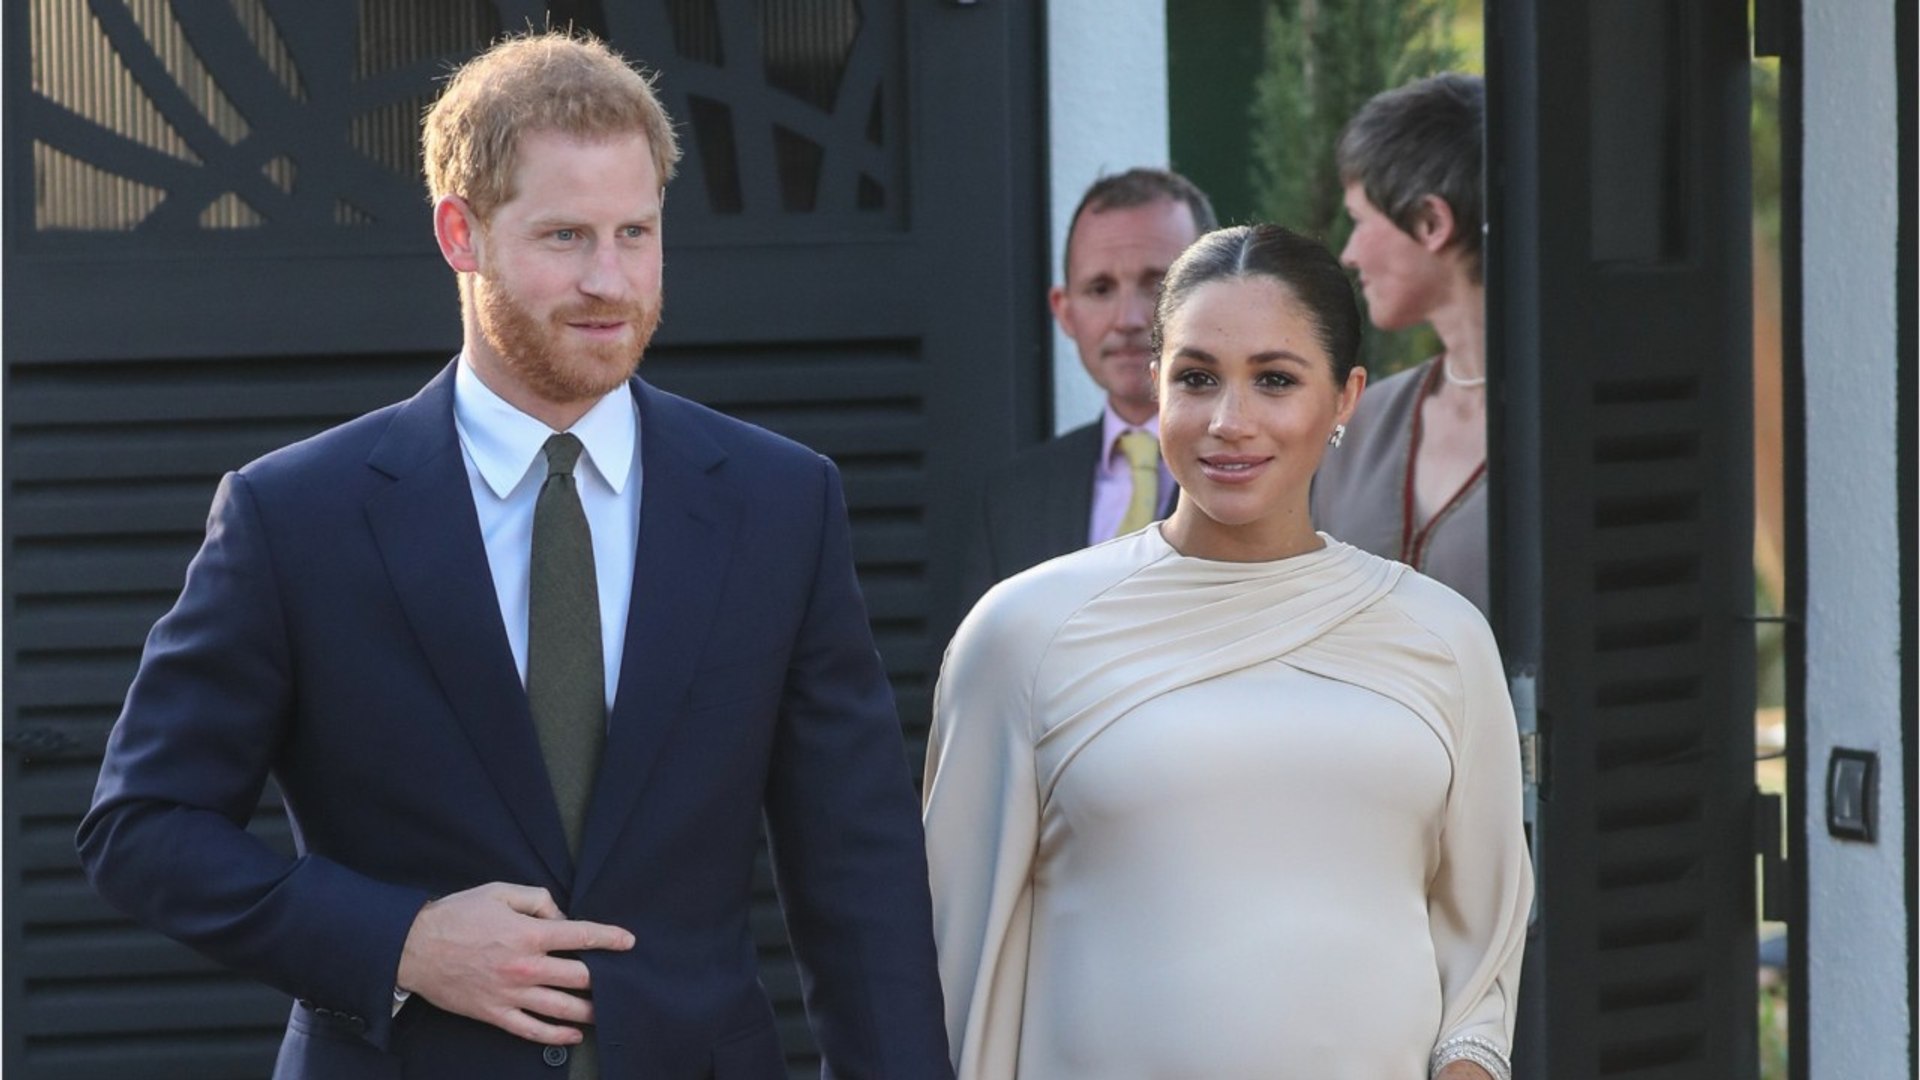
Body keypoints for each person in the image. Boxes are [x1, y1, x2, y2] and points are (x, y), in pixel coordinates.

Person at [76, 32, 950, 1080]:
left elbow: (858, 870)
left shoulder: (781, 503)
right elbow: (142, 828)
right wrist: (402, 942)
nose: (610, 280)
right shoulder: (294, 515)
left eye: (636, 232)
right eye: (565, 236)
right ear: (462, 233)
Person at [924, 224, 1531, 1080]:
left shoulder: (1444, 638)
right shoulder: (1021, 635)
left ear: (1347, 397)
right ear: (1156, 384)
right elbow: (957, 968)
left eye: (1274, 380)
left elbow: (1482, 967)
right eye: (1197, 378)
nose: (1228, 422)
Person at [954, 168, 1216, 615]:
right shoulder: (1011, 499)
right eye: (1100, 289)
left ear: (1218, 295)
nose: (1128, 319)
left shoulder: (1282, 471)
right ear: (1065, 311)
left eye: (1157, 285)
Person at [1312, 73, 1492, 616]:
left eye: (1359, 220)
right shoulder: (1359, 424)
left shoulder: (1576, 429)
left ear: (1431, 222)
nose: (1348, 254)